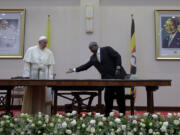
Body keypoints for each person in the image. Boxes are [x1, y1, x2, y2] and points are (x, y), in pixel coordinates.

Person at [67, 42, 127, 116]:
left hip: (117, 77)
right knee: (108, 98)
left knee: (120, 97)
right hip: (107, 80)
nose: (91, 49)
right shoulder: (93, 58)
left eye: (92, 47)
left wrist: (118, 68)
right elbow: (85, 66)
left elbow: (118, 56)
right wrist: (74, 69)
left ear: (96, 46)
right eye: (90, 48)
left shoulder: (107, 49)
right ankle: (108, 115)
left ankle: (122, 115)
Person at [22, 36, 55, 114]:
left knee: (42, 96)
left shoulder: (49, 52)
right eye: (44, 43)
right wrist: (26, 75)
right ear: (39, 42)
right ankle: (30, 113)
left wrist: (50, 78)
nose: (45, 44)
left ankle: (43, 114)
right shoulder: (31, 50)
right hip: (33, 76)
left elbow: (50, 67)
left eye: (46, 43)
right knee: (32, 95)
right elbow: (27, 64)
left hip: (44, 76)